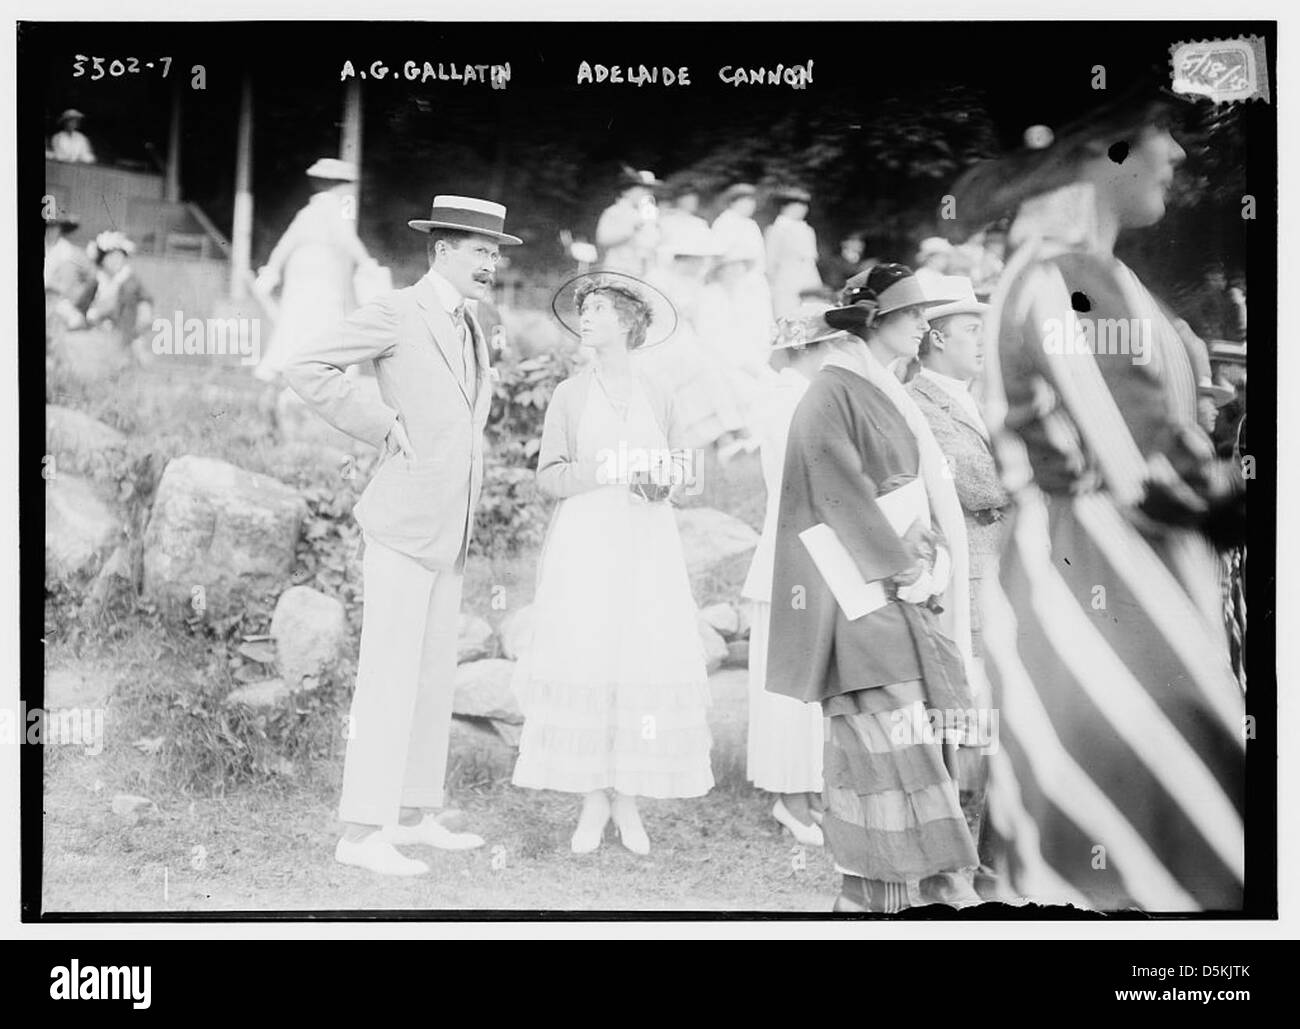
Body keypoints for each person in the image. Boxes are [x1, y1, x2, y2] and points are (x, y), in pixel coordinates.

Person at [951, 72, 1246, 910]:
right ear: (1102, 149)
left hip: (1093, 598)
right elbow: (1157, 476)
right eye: (1160, 128)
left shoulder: (1067, 273)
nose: (1178, 150)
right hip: (1109, 611)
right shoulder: (1071, 277)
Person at [283, 195, 522, 875]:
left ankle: (416, 813)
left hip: (450, 526)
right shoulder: (397, 308)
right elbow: (309, 366)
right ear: (443, 250)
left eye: (496, 252)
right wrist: (380, 421)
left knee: (430, 674)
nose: (492, 263)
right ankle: (361, 832)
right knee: (387, 678)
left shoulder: (470, 322)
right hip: (401, 522)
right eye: (481, 250)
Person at [768, 262, 981, 913]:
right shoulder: (830, 392)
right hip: (854, 593)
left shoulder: (883, 387)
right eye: (913, 313)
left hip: (896, 588)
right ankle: (902, 891)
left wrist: (929, 558)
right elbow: (840, 495)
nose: (924, 325)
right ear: (874, 319)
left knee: (902, 740)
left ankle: (875, 896)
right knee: (886, 743)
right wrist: (904, 563)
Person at [511, 271, 713, 855]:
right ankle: (593, 801)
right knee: (589, 654)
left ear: (627, 323)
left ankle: (629, 799)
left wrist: (662, 483)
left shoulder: (660, 392)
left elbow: (685, 470)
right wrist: (611, 471)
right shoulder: (569, 395)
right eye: (585, 310)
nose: (588, 319)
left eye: (599, 310)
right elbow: (549, 477)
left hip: (647, 543)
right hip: (587, 540)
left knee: (639, 657)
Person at [904, 274, 1008, 889]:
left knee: (996, 728)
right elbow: (977, 487)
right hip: (960, 586)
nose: (982, 340)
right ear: (936, 338)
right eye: (972, 329)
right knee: (956, 727)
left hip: (998, 581)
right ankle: (948, 870)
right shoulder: (921, 404)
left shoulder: (973, 399)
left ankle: (990, 864)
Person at [741, 306, 842, 847]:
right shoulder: (786, 399)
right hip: (793, 546)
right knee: (789, 682)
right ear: (805, 351)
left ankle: (813, 791)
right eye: (828, 346)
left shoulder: (806, 397)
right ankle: (790, 796)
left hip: (815, 542)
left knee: (814, 680)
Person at [254, 158, 376, 383]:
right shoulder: (331, 209)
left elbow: (285, 243)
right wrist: (366, 261)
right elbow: (346, 239)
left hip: (302, 270)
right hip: (320, 272)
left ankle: (288, 363)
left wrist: (273, 268)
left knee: (299, 316)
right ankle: (321, 365)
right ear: (338, 185)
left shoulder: (308, 211)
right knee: (322, 316)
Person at [642, 220, 752, 454]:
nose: (703, 264)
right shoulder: (657, 278)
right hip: (660, 340)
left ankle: (735, 431)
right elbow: (663, 321)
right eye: (699, 258)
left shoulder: (694, 282)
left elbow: (699, 320)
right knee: (703, 366)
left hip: (686, 336)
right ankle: (725, 436)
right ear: (685, 257)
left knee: (719, 364)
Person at [84, 231, 152, 355]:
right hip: (96, 337)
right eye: (111, 256)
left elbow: (145, 310)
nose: (116, 260)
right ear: (102, 260)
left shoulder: (130, 282)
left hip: (124, 339)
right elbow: (81, 308)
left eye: (119, 256)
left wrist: (136, 332)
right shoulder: (96, 281)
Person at [764, 186, 822, 319]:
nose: (802, 209)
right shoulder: (776, 229)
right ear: (785, 206)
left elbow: (811, 260)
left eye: (804, 205)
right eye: (797, 205)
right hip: (786, 281)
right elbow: (770, 261)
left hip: (808, 278)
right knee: (787, 317)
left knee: (811, 315)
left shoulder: (807, 229)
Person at [595, 168, 662, 276]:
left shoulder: (650, 214)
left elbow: (654, 242)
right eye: (642, 188)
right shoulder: (614, 212)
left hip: (644, 271)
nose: (647, 193)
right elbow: (602, 239)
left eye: (650, 189)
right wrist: (630, 230)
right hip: (619, 269)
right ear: (626, 191)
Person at [43, 211, 95, 329]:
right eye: (48, 227)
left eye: (55, 227)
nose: (51, 231)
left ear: (61, 229)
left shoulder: (71, 252)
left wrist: (77, 296)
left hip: (61, 301)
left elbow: (92, 276)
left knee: (74, 322)